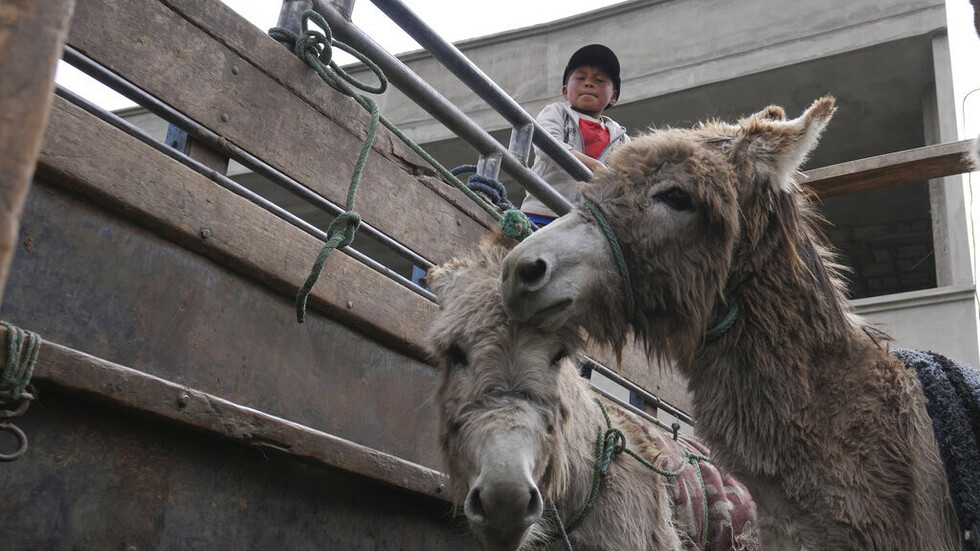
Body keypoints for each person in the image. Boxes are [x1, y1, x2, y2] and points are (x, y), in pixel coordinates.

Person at [521, 44, 630, 226]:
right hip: (543, 213)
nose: (589, 83)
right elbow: (548, 147)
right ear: (565, 91)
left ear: (613, 96)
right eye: (580, 77)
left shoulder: (621, 138)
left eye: (600, 80)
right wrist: (596, 167)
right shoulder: (556, 113)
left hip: (589, 223)